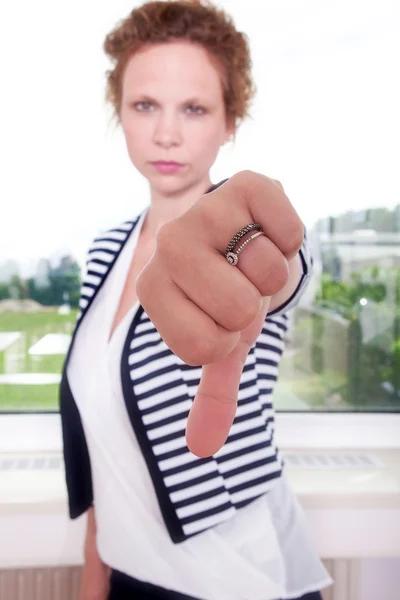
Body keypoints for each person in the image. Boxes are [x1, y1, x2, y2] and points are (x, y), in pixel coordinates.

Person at [60, 1, 333, 599]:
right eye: (145, 106)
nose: (166, 132)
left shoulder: (248, 231)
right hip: (130, 577)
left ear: (229, 122)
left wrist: (266, 257)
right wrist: (92, 577)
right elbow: (105, 439)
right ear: (121, 114)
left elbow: (286, 273)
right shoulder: (104, 251)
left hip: (238, 577)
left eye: (194, 108)